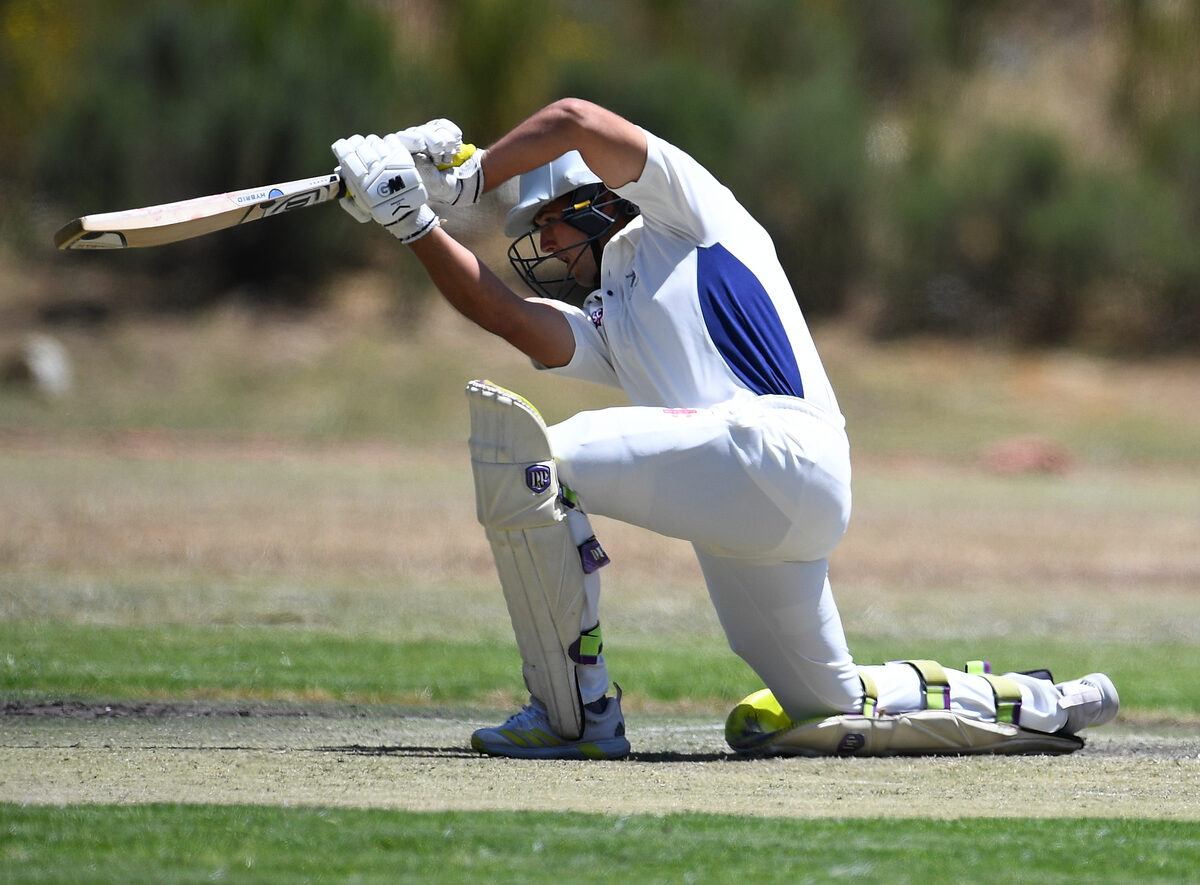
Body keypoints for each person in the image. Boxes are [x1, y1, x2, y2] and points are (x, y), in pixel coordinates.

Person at [330, 98, 1119, 759]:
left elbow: (573, 119)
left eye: (550, 223)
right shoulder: (607, 319)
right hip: (763, 503)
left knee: (530, 459)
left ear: (594, 202)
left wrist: (472, 177)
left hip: (774, 446)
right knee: (826, 704)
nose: (543, 245)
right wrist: (413, 223)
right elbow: (500, 313)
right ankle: (1040, 699)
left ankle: (575, 716)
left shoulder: (689, 215)